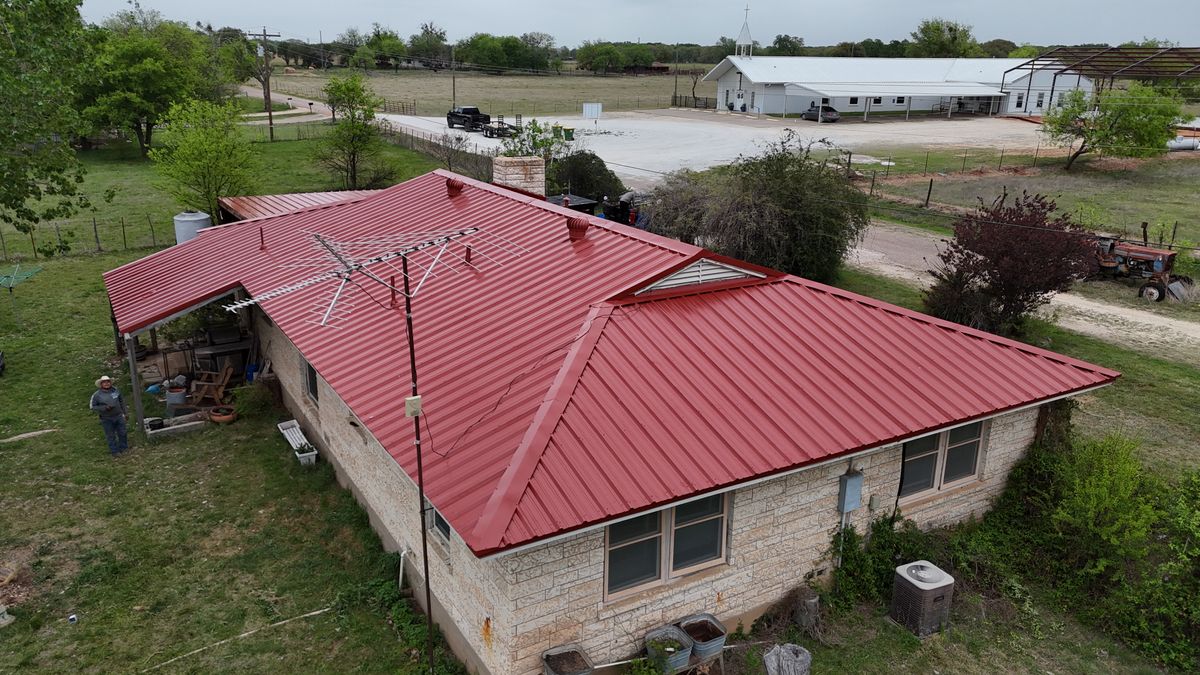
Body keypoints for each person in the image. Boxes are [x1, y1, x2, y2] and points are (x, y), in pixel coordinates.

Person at [90, 375, 128, 456]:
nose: (106, 383)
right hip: (106, 418)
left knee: (122, 432)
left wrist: (125, 413)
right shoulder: (96, 395)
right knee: (110, 435)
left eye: (108, 382)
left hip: (118, 415)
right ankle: (114, 451)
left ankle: (124, 448)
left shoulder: (116, 390)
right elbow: (93, 407)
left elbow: (121, 401)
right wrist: (104, 408)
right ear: (101, 384)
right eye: (104, 382)